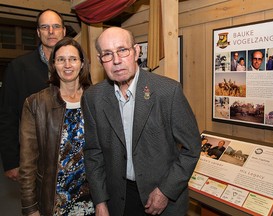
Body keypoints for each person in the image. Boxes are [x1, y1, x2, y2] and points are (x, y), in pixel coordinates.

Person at [82, 27, 201, 216]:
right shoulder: (93, 98)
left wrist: (166, 191)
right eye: (107, 54)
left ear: (137, 51)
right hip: (118, 200)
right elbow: (93, 153)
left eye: (122, 50)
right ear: (100, 60)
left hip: (163, 198)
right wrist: (100, 201)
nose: (116, 60)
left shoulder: (168, 92)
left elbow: (192, 148)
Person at [19, 37, 95, 216]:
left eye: (73, 59)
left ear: (82, 63)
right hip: (55, 201)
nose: (67, 65)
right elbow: (27, 163)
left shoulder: (96, 99)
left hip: (93, 199)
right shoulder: (36, 103)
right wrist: (30, 208)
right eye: (61, 59)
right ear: (53, 65)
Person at [0, 9, 66, 181]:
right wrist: (11, 161)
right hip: (35, 159)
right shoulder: (18, 67)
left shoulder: (76, 64)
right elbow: (8, 115)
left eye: (56, 26)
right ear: (38, 32)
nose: (51, 32)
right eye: (45, 27)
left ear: (64, 31)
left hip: (70, 156)